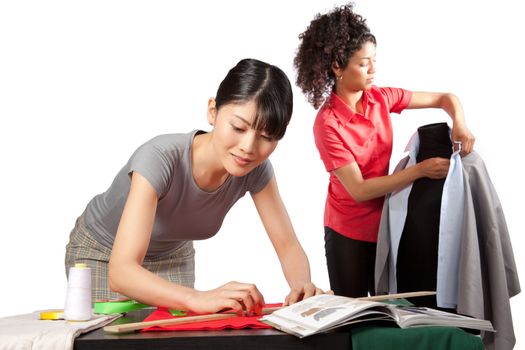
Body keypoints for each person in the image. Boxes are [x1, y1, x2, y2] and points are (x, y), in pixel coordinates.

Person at [65, 58, 325, 316]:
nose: (248, 147)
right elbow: (121, 272)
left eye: (266, 137)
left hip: (172, 255)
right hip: (103, 252)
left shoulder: (255, 170)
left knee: (175, 342)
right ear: (212, 111)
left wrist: (302, 290)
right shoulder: (159, 158)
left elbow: (287, 244)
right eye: (238, 127)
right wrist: (198, 298)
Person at [293, 4, 475, 298]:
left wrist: (460, 124)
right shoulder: (327, 124)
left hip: (387, 221)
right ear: (337, 67)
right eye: (364, 63)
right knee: (352, 315)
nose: (373, 70)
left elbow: (445, 97)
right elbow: (360, 190)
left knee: (387, 307)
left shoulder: (381, 98)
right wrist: (420, 171)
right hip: (347, 230)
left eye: (374, 60)